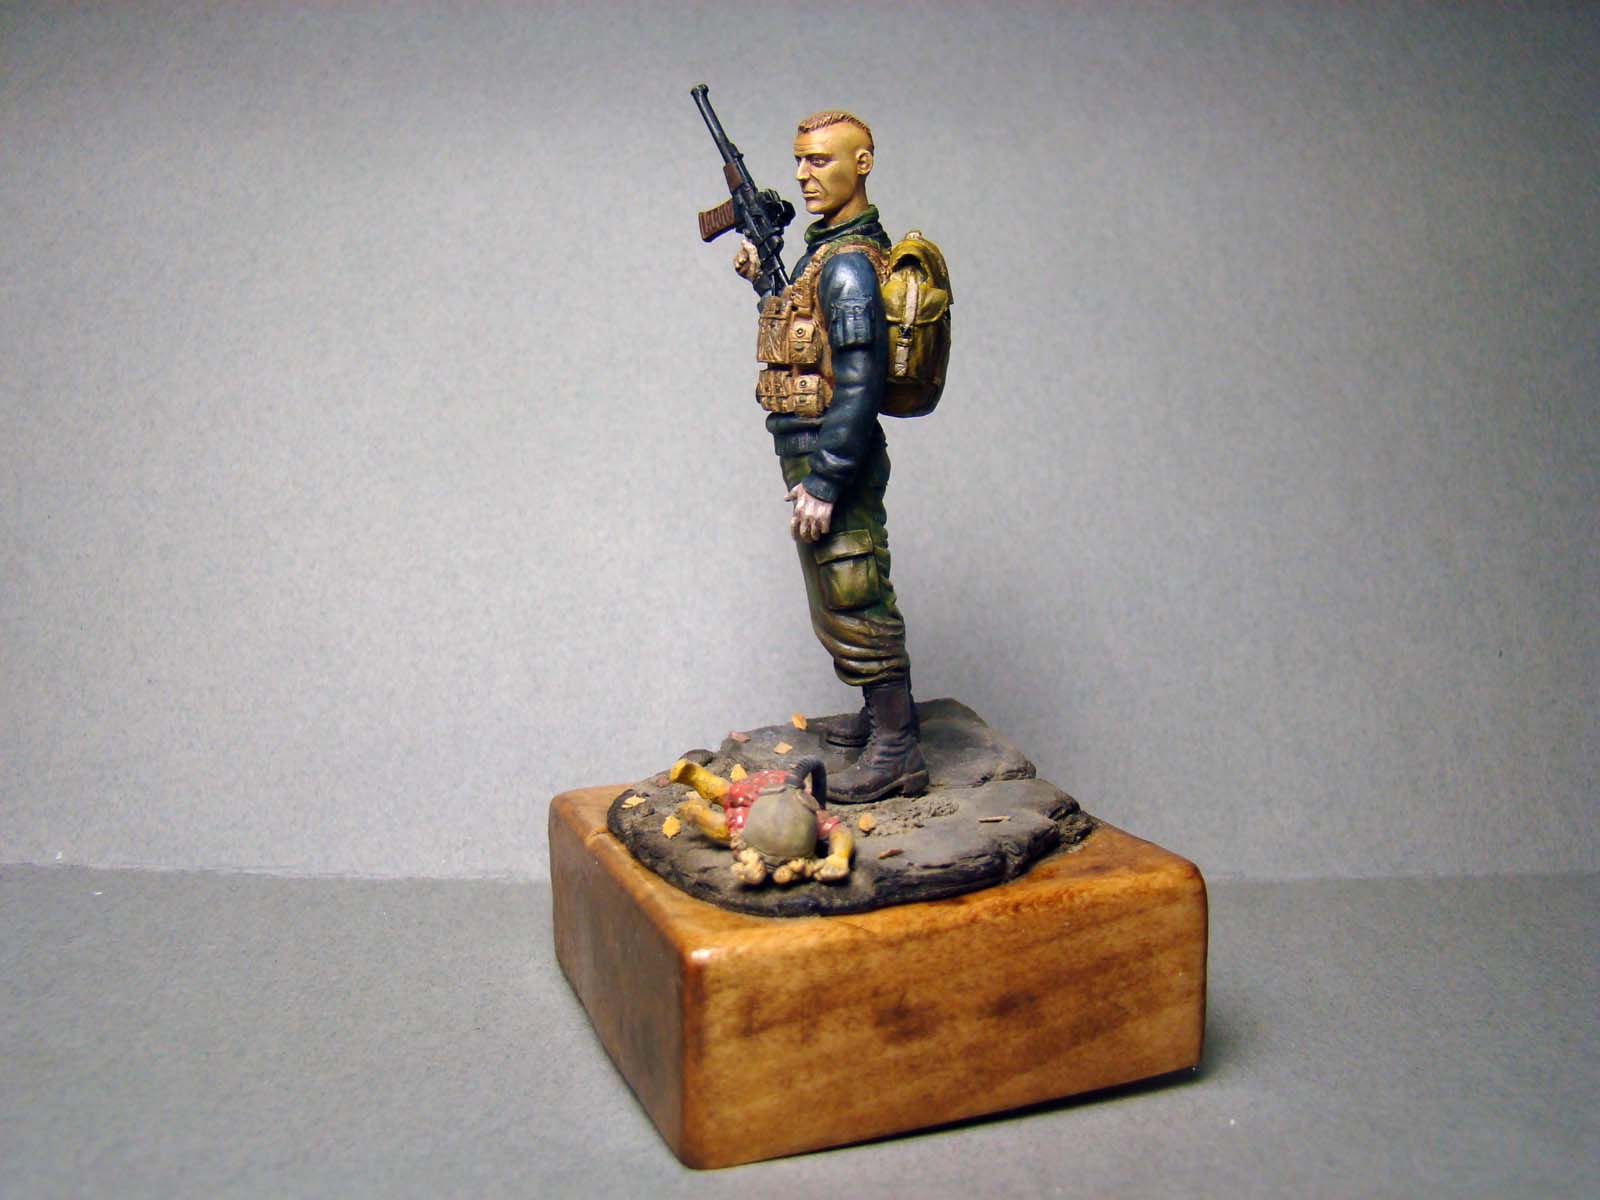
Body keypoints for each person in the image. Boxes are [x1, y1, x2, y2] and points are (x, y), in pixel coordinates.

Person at [732, 110, 925, 803]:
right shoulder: (827, 253)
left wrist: (826, 478)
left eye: (820, 161)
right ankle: (880, 715)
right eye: (799, 161)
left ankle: (897, 747)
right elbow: (801, 337)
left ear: (862, 163)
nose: (803, 176)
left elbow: (860, 381)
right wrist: (764, 281)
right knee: (836, 586)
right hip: (809, 444)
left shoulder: (847, 266)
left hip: (830, 452)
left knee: (853, 586)